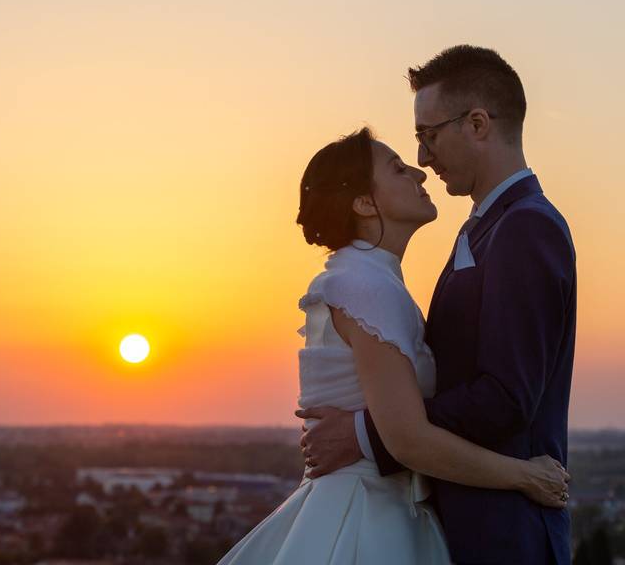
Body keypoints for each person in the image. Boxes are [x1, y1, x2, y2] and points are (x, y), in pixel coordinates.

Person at [216, 126, 569, 565]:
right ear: (365, 203)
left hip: (383, 503)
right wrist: (524, 477)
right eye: (399, 169)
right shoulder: (365, 286)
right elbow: (409, 441)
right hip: (366, 514)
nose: (420, 174)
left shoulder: (368, 279)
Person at [296, 46, 577, 565]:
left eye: (427, 136)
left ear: (476, 124)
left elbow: (505, 397)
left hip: (505, 533)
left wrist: (367, 435)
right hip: (460, 525)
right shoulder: (485, 230)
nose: (423, 160)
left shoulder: (525, 228)